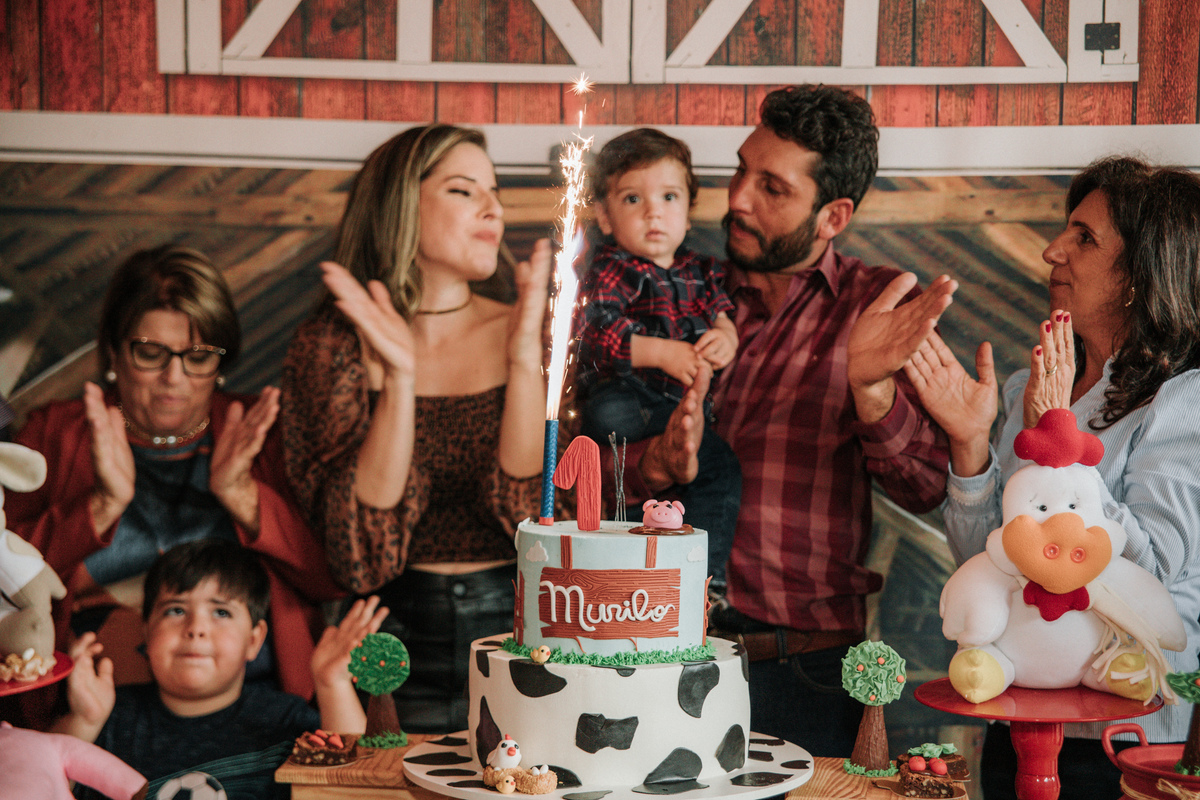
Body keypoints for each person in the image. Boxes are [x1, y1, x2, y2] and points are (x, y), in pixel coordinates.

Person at [620, 85, 956, 756]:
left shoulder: (881, 306)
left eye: (772, 187)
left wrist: (871, 392)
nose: (738, 197)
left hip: (802, 674)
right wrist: (650, 464)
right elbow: (583, 466)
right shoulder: (678, 294)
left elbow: (929, 488)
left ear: (833, 216)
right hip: (650, 657)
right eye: (742, 169)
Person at [906, 156, 1200, 800]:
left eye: (1084, 237)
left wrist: (1060, 443)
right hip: (1021, 718)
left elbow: (1155, 573)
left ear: (1141, 275)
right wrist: (970, 446)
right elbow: (989, 565)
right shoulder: (1027, 390)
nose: (1051, 251)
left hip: (1127, 741)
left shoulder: (1186, 399)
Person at [281, 123, 555, 734]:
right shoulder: (333, 342)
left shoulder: (528, 330)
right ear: (402, 203)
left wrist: (520, 361)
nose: (493, 208)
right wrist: (399, 382)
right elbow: (360, 557)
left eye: (495, 191)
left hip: (521, 635)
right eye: (464, 190)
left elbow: (531, 523)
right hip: (387, 639)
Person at [5, 245, 342, 725]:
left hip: (259, 719)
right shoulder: (55, 435)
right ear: (115, 353)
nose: (173, 378)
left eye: (198, 357)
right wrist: (99, 508)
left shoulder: (260, 433)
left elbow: (331, 580)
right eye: (150, 353)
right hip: (87, 719)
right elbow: (4, 584)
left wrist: (243, 496)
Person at [52, 539, 387, 800]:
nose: (196, 628)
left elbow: (360, 789)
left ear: (254, 641)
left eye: (221, 613)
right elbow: (34, 783)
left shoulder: (286, 721)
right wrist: (84, 722)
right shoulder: (110, 717)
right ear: (147, 630)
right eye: (175, 611)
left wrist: (333, 686)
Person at [575, 127, 740, 591]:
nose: (653, 211)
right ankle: (620, 575)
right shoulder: (612, 268)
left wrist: (726, 338)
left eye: (669, 196)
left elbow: (723, 319)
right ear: (605, 217)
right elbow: (596, 331)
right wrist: (661, 352)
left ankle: (704, 581)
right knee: (612, 433)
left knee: (719, 469)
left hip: (677, 412)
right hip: (626, 401)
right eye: (632, 199)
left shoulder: (703, 271)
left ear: (688, 211)